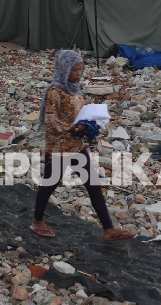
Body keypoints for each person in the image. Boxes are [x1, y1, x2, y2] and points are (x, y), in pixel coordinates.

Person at [30, 50, 135, 242]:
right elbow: (51, 122)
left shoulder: (74, 89)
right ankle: (37, 221)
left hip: (76, 146)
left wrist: (90, 124)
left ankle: (109, 229)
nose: (78, 73)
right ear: (64, 69)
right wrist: (74, 127)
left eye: (80, 69)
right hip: (58, 148)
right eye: (74, 70)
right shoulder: (55, 91)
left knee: (93, 185)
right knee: (50, 184)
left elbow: (78, 113)